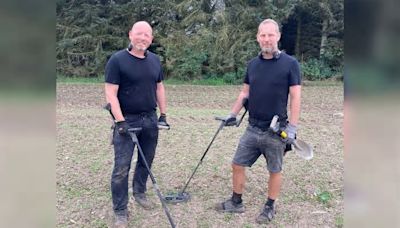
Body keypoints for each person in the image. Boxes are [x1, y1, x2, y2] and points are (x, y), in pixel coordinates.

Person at [215, 18, 301, 224]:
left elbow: (296, 96)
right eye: (263, 35)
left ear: (278, 36)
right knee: (237, 164)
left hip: (275, 130)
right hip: (252, 127)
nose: (267, 39)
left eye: (271, 35)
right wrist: (233, 114)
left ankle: (270, 207)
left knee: (275, 170)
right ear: (257, 38)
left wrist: (293, 127)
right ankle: (236, 202)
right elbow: (245, 92)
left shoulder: (290, 64)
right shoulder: (252, 64)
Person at [104, 21, 169, 228]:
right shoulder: (117, 60)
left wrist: (164, 114)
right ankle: (120, 210)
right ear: (130, 34)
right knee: (121, 167)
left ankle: (139, 191)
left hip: (150, 118)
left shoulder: (155, 61)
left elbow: (159, 88)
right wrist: (120, 120)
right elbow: (110, 93)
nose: (143, 38)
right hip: (127, 120)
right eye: (139, 33)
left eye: (147, 35)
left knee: (146, 160)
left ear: (151, 39)